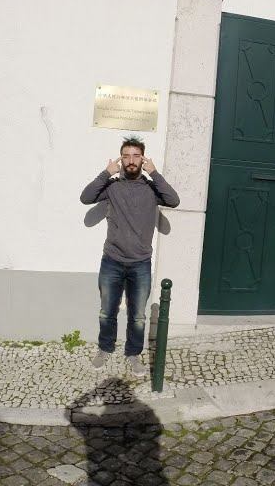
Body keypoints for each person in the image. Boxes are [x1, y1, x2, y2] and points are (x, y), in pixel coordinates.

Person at [79, 136, 179, 375]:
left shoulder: (151, 189)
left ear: (143, 159)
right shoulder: (112, 186)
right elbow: (86, 197)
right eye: (126, 156)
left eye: (136, 156)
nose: (131, 160)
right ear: (121, 159)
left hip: (140, 263)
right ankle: (105, 348)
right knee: (107, 311)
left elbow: (174, 200)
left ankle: (133, 354)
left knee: (138, 316)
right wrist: (106, 173)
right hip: (112, 260)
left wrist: (155, 173)